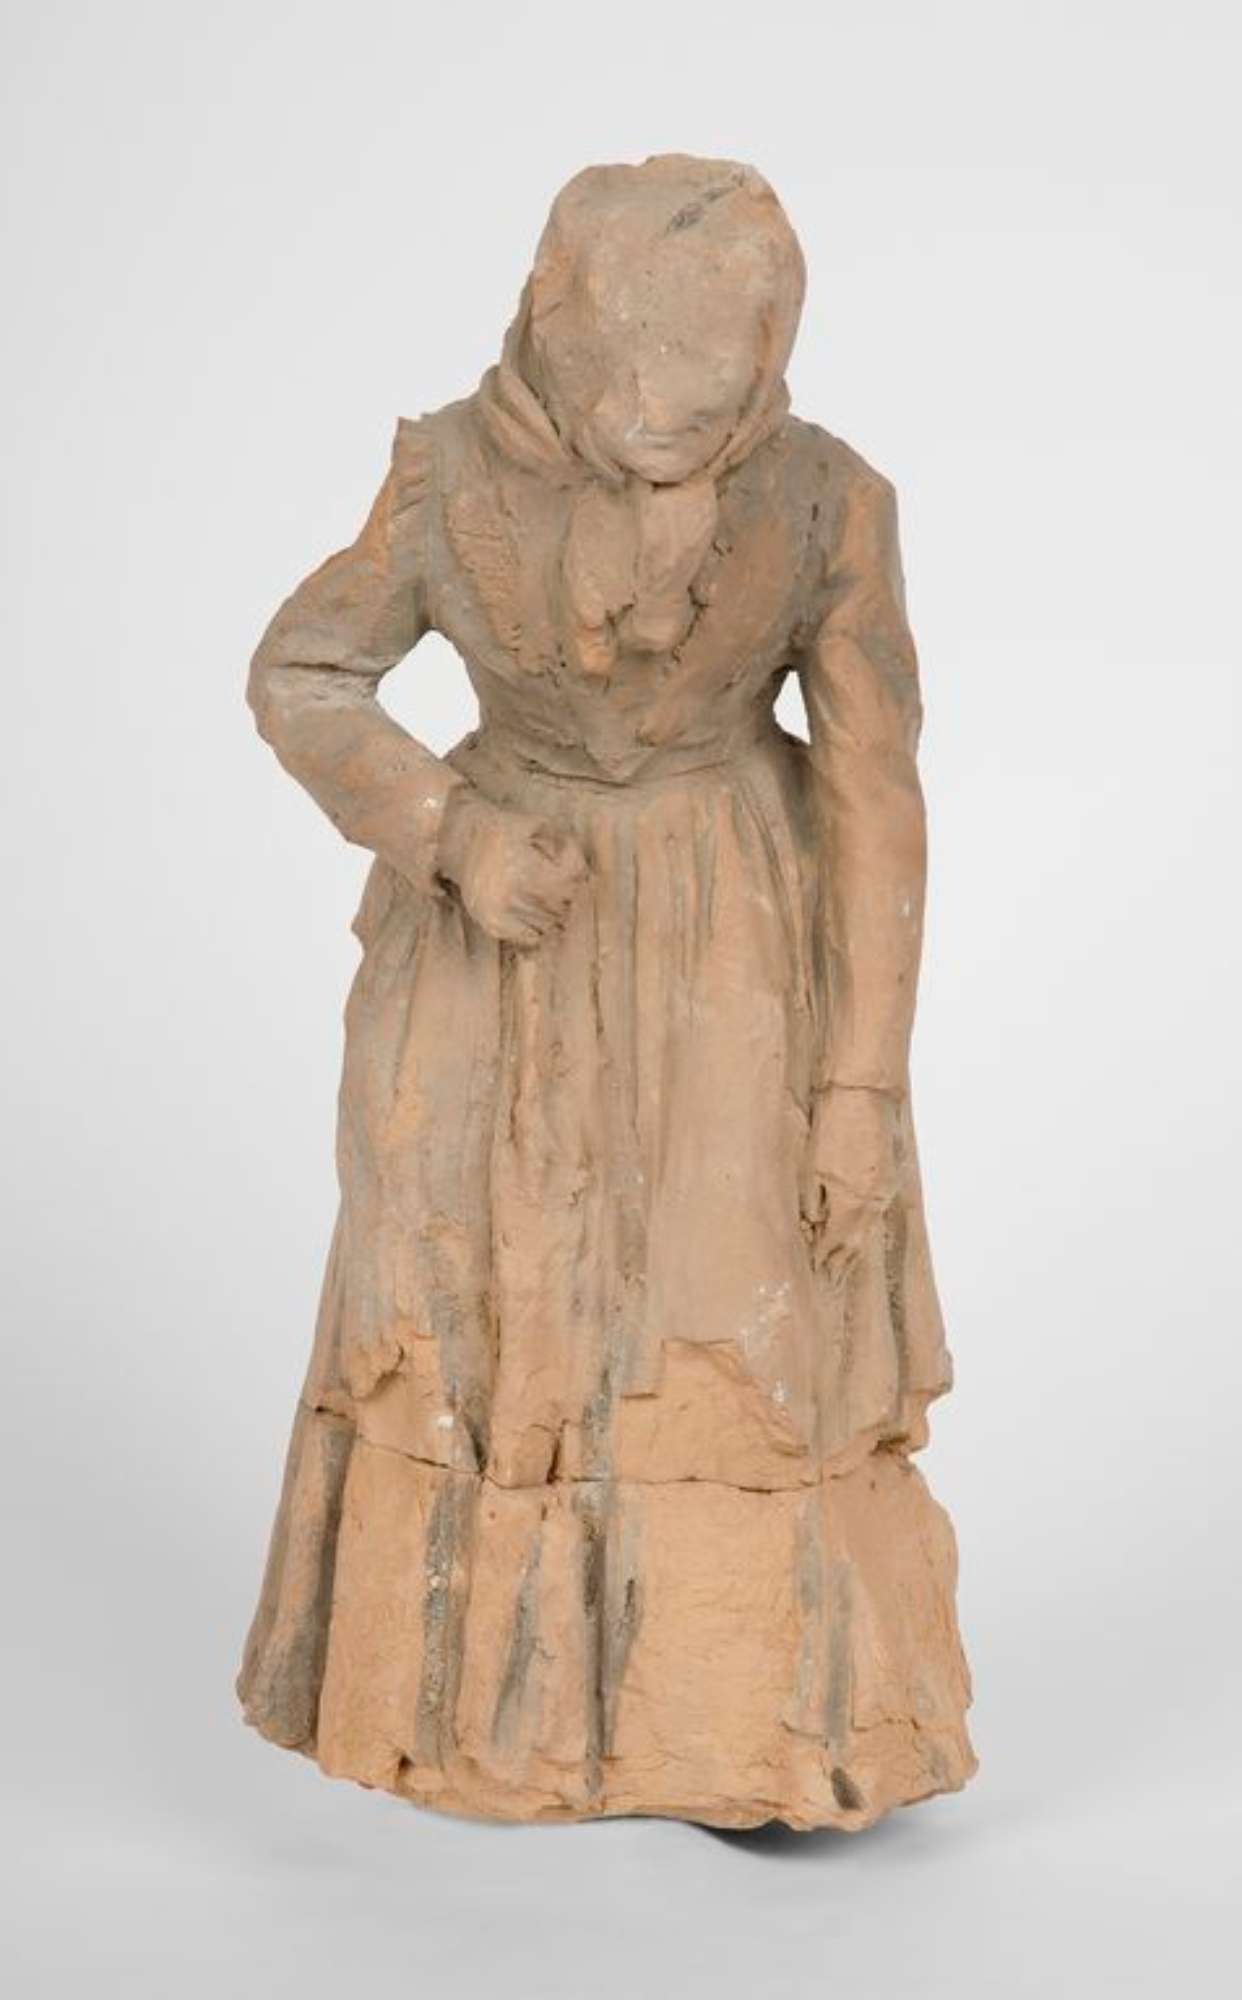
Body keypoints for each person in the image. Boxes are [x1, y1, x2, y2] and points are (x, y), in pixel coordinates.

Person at [238, 154, 973, 1830]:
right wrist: (448, 833)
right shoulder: (446, 473)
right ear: (562, 338)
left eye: (711, 400)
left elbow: (875, 790)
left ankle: (744, 1724)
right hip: (500, 949)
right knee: (489, 1307)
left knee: (733, 1307)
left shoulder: (823, 498)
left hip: (739, 958)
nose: (669, 432)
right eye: (636, 390)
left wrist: (859, 1084)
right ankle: (483, 1720)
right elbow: (307, 670)